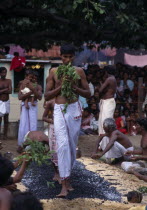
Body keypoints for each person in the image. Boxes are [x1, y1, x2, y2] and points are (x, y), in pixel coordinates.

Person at [44, 44, 91, 197]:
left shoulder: (79, 71)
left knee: (71, 145)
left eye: (70, 57)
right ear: (61, 56)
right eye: (65, 57)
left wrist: (74, 87)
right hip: (58, 109)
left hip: (74, 109)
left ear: (74, 57)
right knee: (62, 145)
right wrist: (61, 86)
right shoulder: (53, 71)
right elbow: (47, 95)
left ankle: (68, 178)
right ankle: (63, 184)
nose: (68, 60)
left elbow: (88, 93)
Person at [17, 71, 42, 153]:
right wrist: (31, 91)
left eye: (34, 78)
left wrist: (32, 89)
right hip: (25, 105)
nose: (32, 79)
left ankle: (32, 145)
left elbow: (39, 97)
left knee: (33, 125)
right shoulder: (23, 84)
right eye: (31, 77)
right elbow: (20, 97)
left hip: (33, 106)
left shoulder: (38, 86)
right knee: (23, 125)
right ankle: (22, 145)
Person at [42, 99, 60, 183]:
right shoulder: (51, 102)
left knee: (63, 149)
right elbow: (44, 117)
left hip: (64, 127)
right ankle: (56, 172)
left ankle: (64, 173)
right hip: (53, 127)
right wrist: (53, 121)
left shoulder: (68, 101)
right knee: (53, 151)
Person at [98, 66, 117, 135]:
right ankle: (102, 143)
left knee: (105, 122)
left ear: (106, 72)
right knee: (102, 121)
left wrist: (101, 83)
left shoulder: (109, 79)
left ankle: (106, 142)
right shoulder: (112, 79)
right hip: (106, 102)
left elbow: (100, 90)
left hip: (108, 102)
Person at [0, 67, 12, 139]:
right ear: (0, 73)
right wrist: (5, 89)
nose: (4, 74)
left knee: (6, 119)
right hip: (0, 102)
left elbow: (10, 91)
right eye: (2, 72)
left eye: (5, 72)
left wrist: (2, 91)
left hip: (6, 101)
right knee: (0, 119)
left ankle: (5, 135)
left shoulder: (9, 81)